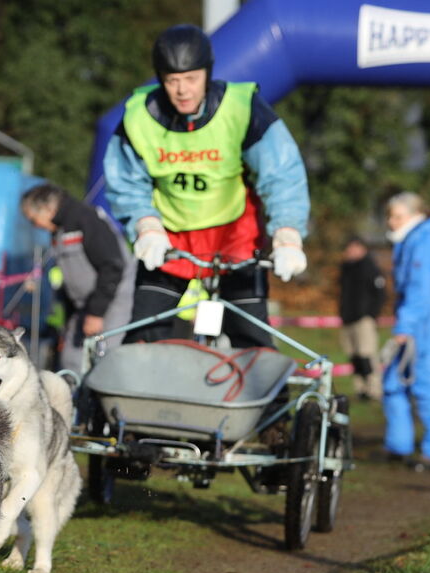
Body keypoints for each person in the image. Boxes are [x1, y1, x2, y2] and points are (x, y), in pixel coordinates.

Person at [103, 24, 309, 348]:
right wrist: (146, 225)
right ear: (160, 79)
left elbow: (281, 172)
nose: (183, 90)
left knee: (252, 338)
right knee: (143, 337)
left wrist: (287, 232)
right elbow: (125, 179)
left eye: (191, 79)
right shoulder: (140, 116)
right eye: (172, 81)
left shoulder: (242, 108)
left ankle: (266, 399)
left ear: (207, 74)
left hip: (234, 236)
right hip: (169, 235)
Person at [21, 182, 135, 373]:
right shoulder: (58, 230)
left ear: (47, 208)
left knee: (105, 361)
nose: (36, 226)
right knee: (71, 360)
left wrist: (96, 313)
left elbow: (112, 265)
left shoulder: (86, 219)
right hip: (83, 307)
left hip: (111, 304)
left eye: (34, 220)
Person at [382, 192, 430, 471]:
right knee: (393, 383)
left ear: (415, 215)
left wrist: (406, 326)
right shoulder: (414, 238)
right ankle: (398, 444)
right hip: (417, 317)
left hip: (426, 321)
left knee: (426, 387)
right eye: (390, 216)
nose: (391, 222)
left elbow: (421, 289)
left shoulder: (424, 240)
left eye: (397, 216)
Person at [339, 236, 386, 400]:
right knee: (355, 357)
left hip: (363, 318)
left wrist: (371, 314)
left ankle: (375, 389)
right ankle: (361, 390)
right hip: (348, 318)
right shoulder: (346, 268)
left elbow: (379, 293)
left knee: (367, 355)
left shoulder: (370, 267)